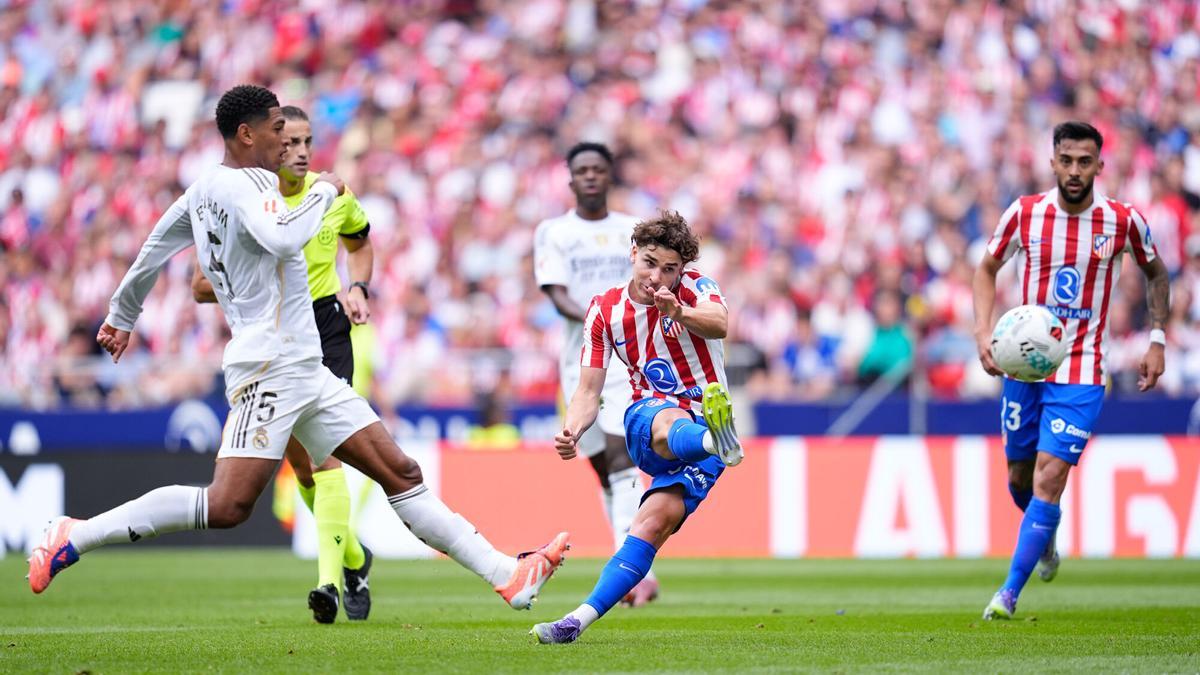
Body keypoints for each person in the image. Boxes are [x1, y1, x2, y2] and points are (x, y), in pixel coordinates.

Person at [27, 85, 569, 618]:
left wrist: (122, 315)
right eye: (276, 130)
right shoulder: (250, 188)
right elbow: (284, 239)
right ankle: (75, 534)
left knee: (400, 472)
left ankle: (508, 575)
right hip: (268, 367)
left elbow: (156, 246)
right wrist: (324, 191)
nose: (286, 141)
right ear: (247, 135)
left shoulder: (203, 189)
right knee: (227, 506)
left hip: (304, 365)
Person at [973, 121, 1169, 620]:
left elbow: (1157, 272)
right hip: (1024, 369)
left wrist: (1157, 337)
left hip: (1082, 371)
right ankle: (1046, 535)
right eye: (1067, 160)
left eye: (1086, 162)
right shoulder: (1025, 213)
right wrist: (982, 332)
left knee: (1050, 477)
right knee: (1019, 475)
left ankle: (1007, 595)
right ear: (1053, 162)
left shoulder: (1123, 222)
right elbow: (986, 269)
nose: (1076, 170)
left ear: (1100, 166)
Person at [191, 105, 374, 623]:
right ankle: (355, 558)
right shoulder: (243, 201)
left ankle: (329, 585)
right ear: (268, 146)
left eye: (306, 142)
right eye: (288, 142)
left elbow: (360, 241)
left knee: (325, 456)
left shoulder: (333, 195)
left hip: (325, 328)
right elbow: (201, 285)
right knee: (300, 465)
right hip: (272, 334)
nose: (298, 152)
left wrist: (358, 286)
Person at [531, 210, 743, 644]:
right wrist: (572, 428)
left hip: (707, 421)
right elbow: (589, 390)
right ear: (632, 254)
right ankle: (714, 439)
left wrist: (679, 310)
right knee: (668, 420)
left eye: (669, 269)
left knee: (650, 525)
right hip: (650, 414)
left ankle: (575, 622)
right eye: (649, 263)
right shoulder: (604, 309)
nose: (658, 277)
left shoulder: (696, 287)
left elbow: (720, 323)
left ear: (683, 268)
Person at [532, 142, 659, 606]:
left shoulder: (633, 230)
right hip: (580, 361)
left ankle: (633, 570)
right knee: (603, 467)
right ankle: (629, 558)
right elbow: (556, 293)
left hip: (631, 357)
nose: (589, 176)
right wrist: (597, 315)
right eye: (581, 170)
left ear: (609, 177)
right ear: (570, 179)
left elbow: (654, 281)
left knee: (622, 453)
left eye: (598, 169)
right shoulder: (554, 232)